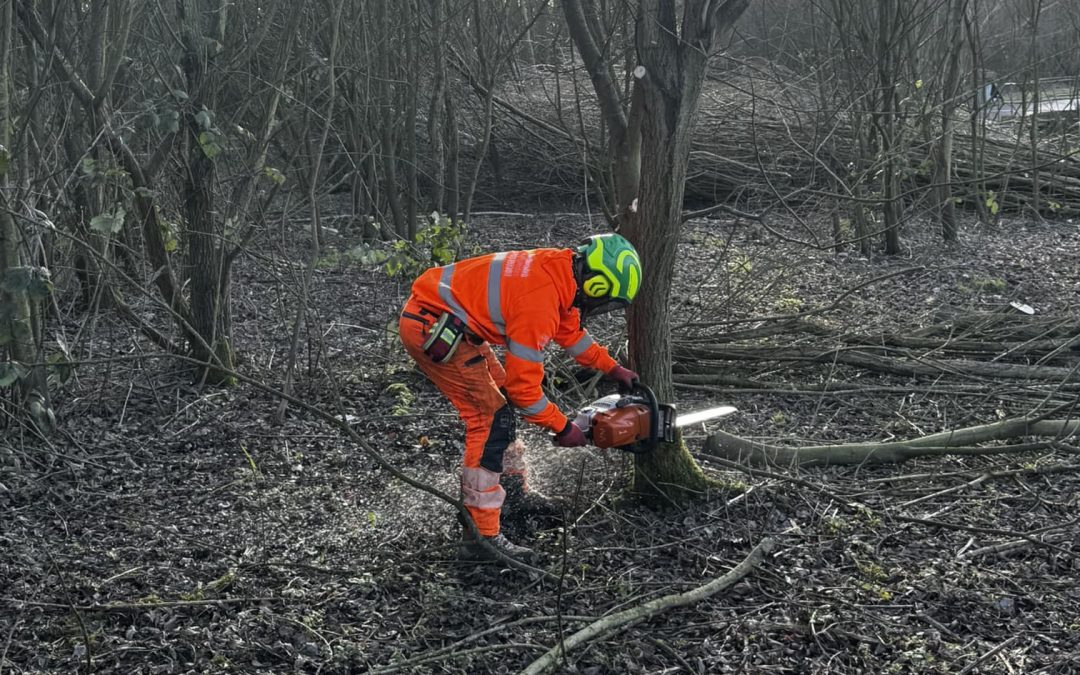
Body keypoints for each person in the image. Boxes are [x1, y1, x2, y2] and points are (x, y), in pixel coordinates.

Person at [397, 232, 642, 564]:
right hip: (432, 327)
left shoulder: (562, 272)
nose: (599, 306)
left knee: (502, 409)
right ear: (596, 284)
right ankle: (480, 536)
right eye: (604, 300)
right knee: (489, 418)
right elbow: (524, 391)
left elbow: (569, 330)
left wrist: (611, 368)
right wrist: (563, 427)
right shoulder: (539, 300)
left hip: (457, 326)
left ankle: (511, 495)